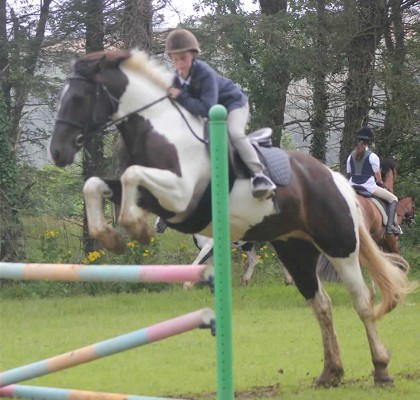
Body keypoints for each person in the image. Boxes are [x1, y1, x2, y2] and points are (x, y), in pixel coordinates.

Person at [165, 28, 276, 200]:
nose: (179, 63)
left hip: (233, 104)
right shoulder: (176, 79)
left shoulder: (205, 74)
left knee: (234, 133)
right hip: (211, 113)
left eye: (183, 58)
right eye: (175, 59)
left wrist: (180, 97)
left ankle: (260, 175)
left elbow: (207, 109)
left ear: (193, 55)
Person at [346, 127, 400, 235]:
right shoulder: (372, 156)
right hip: (368, 187)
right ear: (370, 141)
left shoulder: (351, 156)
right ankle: (390, 226)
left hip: (351, 186)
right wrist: (380, 182)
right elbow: (377, 174)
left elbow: (349, 171)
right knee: (393, 199)